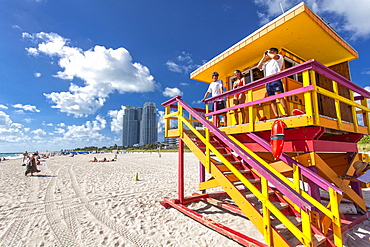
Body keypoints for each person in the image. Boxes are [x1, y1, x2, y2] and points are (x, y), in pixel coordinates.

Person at [257, 47, 289, 119]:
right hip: (268, 82)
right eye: (270, 51)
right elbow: (259, 66)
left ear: (275, 52)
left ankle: (286, 113)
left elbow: (274, 56)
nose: (270, 52)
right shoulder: (268, 62)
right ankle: (276, 115)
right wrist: (264, 57)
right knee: (272, 99)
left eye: (272, 51)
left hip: (275, 79)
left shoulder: (279, 57)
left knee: (279, 96)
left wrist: (268, 53)